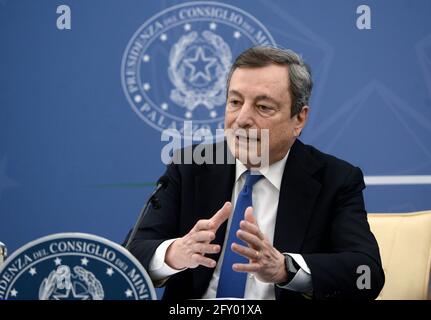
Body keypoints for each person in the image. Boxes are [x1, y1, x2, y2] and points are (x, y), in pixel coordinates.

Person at [127, 46, 385, 300]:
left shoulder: (335, 179)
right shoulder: (191, 166)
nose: (242, 119)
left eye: (263, 107)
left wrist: (285, 269)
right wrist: (175, 253)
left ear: (299, 120)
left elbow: (366, 273)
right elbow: (132, 252)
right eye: (235, 102)